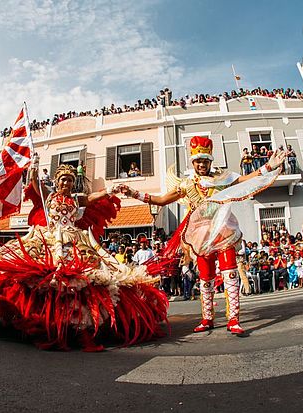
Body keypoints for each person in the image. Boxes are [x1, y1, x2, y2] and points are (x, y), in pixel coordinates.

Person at [0, 161, 168, 351]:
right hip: (47, 238)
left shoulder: (77, 199)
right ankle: (33, 314)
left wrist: (114, 189)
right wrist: (34, 167)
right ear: (56, 182)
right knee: (36, 271)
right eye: (63, 180)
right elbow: (35, 182)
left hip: (76, 239)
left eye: (69, 180)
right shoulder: (49, 195)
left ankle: (76, 322)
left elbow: (97, 196)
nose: (66, 183)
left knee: (92, 275)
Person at [122, 136, 286, 335]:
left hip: (223, 231)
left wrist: (268, 166)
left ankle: (233, 319)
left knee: (230, 273)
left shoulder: (222, 179)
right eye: (198, 161)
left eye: (205, 160)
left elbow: (245, 180)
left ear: (210, 161)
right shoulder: (187, 184)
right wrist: (134, 194)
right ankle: (207, 318)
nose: (201, 164)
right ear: (193, 162)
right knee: (206, 278)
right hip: (199, 235)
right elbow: (162, 200)